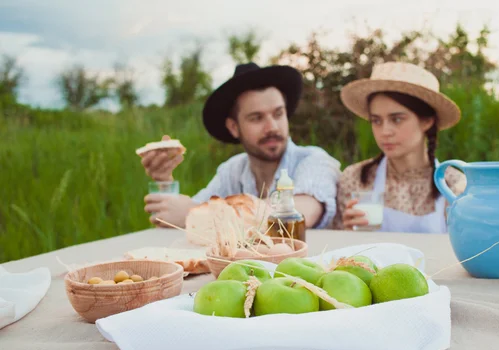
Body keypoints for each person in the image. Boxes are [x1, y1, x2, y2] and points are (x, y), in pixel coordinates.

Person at [141, 62, 341, 229]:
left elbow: (300, 213)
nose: (272, 127)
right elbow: (180, 217)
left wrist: (196, 216)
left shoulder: (315, 160)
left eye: (278, 114)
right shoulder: (232, 170)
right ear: (234, 127)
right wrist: (164, 181)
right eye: (257, 118)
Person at [332, 61, 466, 233]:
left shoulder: (454, 185)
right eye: (376, 121)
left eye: (396, 119)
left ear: (426, 121)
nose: (385, 131)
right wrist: (348, 232)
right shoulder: (356, 179)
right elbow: (338, 249)